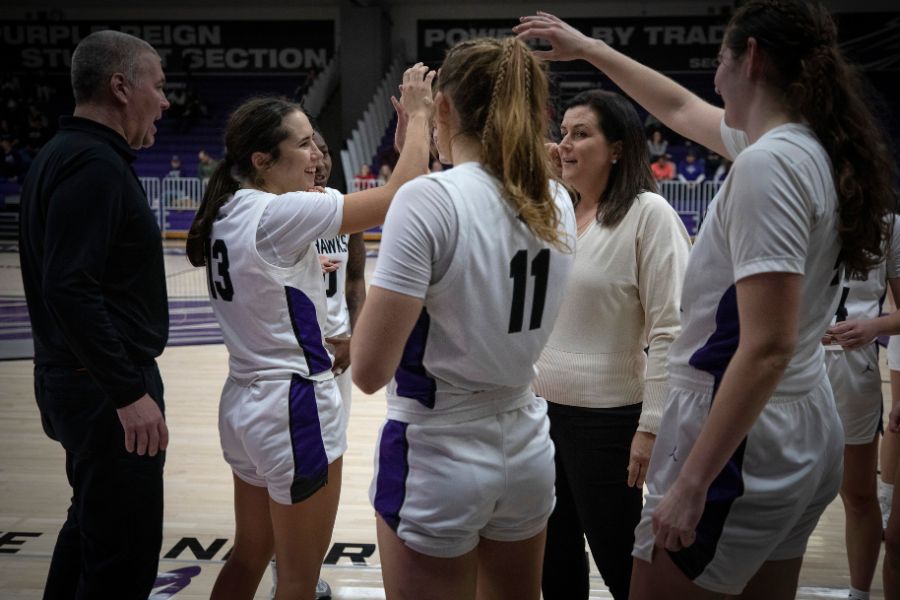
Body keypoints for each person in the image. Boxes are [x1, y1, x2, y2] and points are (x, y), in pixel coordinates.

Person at [516, 2, 896, 598]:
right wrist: (589, 48)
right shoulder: (805, 147)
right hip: (797, 418)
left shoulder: (767, 165)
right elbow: (676, 106)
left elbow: (765, 346)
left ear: (750, 57)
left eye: (720, 59)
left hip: (740, 434)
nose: (713, 77)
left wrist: (694, 480)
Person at [185, 64, 433, 600]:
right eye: (303, 144)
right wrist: (418, 117)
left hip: (243, 401)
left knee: (250, 554)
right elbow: (401, 194)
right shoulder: (287, 212)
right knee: (298, 580)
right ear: (262, 160)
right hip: (293, 404)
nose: (315, 155)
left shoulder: (228, 209)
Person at [352, 37, 577, 600]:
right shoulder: (555, 196)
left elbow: (368, 370)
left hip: (439, 449)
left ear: (444, 107)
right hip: (526, 442)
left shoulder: (428, 200)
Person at [18, 30, 171, 599]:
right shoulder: (94, 166)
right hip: (106, 393)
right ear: (120, 87)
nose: (165, 100)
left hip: (78, 383)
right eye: (158, 86)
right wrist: (128, 393)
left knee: (90, 531)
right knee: (122, 562)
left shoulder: (61, 156)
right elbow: (70, 287)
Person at [535, 90, 690, 600]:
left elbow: (671, 327)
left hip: (609, 421)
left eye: (582, 134)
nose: (566, 144)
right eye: (564, 133)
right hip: (537, 415)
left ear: (618, 149)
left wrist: (650, 427)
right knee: (552, 561)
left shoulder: (650, 214)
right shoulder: (554, 213)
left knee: (621, 561)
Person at [267, 129, 367, 600]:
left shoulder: (344, 211)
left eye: (326, 150)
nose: (321, 158)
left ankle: (304, 570)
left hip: (338, 355)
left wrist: (356, 334)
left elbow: (357, 281)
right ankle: (288, 572)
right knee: (293, 470)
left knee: (327, 464)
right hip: (294, 358)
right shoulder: (278, 212)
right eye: (312, 149)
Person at [822, 216, 900, 600]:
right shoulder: (798, 205)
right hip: (794, 368)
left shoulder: (889, 226)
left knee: (858, 494)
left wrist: (873, 327)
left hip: (856, 371)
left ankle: (859, 593)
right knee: (778, 492)